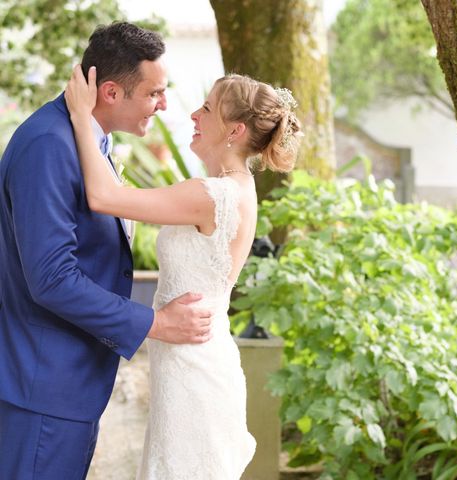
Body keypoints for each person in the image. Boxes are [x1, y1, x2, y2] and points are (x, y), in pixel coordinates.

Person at [64, 64, 303, 478]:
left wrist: (81, 115)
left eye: (207, 109)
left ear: (235, 131)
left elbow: (103, 196)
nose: (193, 115)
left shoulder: (210, 196)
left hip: (193, 371)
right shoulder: (234, 189)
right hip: (192, 361)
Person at [0, 22, 213, 480]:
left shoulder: (89, 138)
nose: (164, 105)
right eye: (154, 93)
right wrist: (156, 323)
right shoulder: (48, 145)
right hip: (42, 389)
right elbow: (52, 278)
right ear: (112, 92)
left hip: (69, 384)